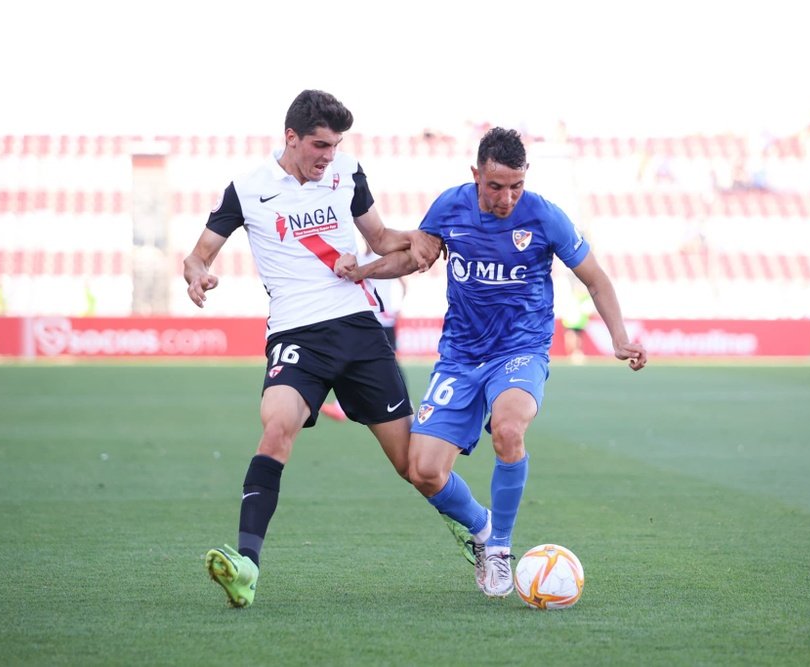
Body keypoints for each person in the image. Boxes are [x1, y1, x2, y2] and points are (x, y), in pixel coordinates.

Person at [336, 127, 647, 598]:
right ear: (476, 175)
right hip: (460, 356)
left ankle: (500, 550)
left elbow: (597, 280)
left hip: (519, 351)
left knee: (508, 429)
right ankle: (482, 531)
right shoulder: (449, 206)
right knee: (422, 470)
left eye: (516, 186)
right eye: (496, 186)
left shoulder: (545, 216)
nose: (507, 198)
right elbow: (414, 258)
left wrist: (620, 339)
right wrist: (362, 272)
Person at [183, 89, 442, 608]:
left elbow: (379, 238)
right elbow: (198, 255)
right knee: (276, 426)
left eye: (335, 145)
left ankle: (477, 534)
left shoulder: (348, 171)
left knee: (412, 465)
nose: (329, 155)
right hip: (295, 333)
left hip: (356, 327)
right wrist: (198, 276)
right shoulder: (247, 189)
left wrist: (423, 236)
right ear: (292, 138)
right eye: (320, 145)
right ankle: (246, 566)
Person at [321, 238, 409, 421]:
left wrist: (399, 306)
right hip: (368, 316)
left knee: (387, 361)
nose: (367, 242)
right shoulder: (358, 258)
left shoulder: (382, 258)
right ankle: (343, 405)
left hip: (383, 317)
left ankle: (402, 402)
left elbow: (403, 282)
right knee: (364, 359)